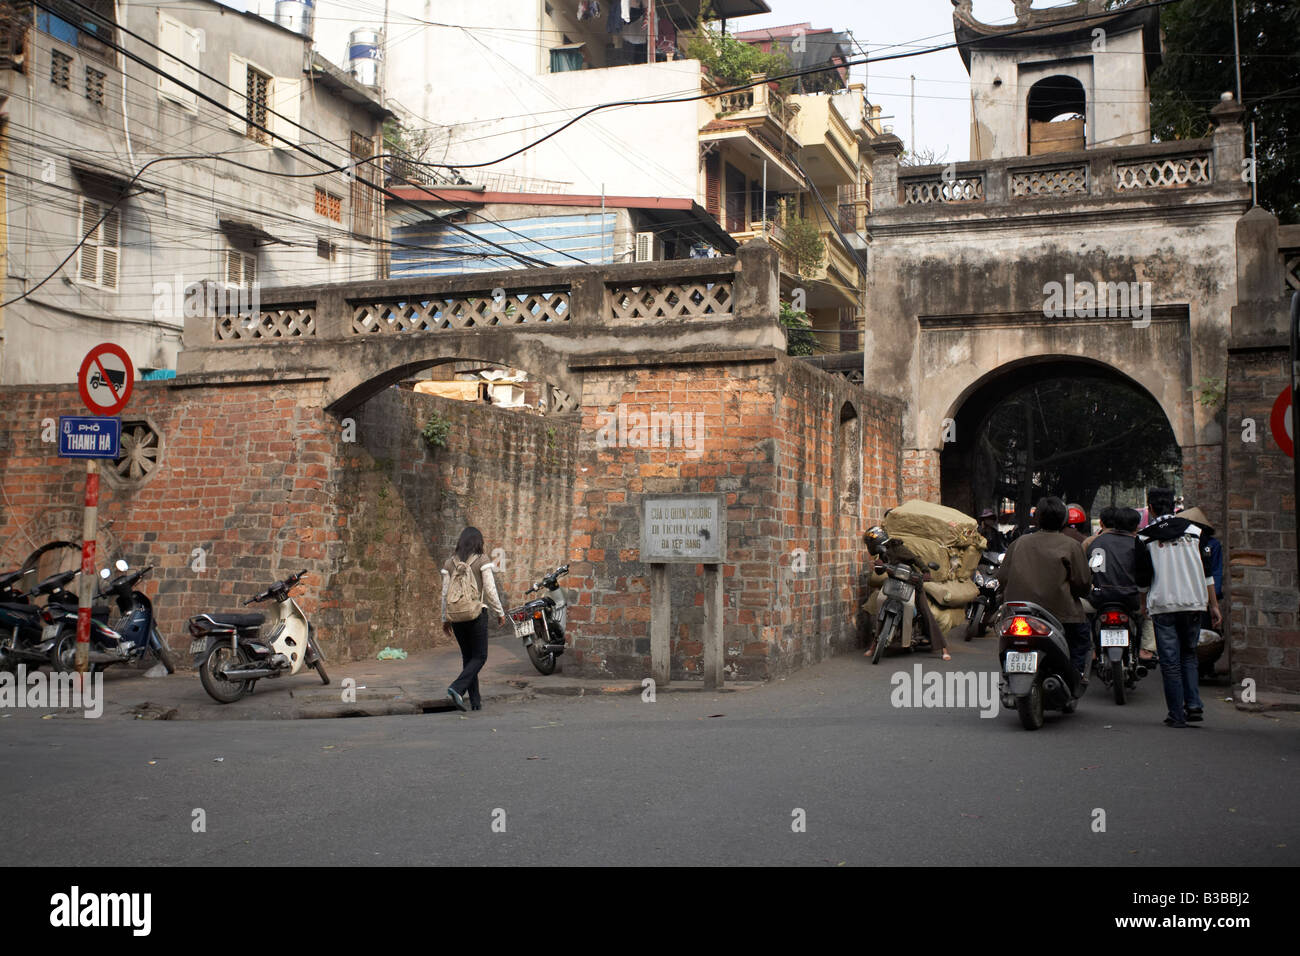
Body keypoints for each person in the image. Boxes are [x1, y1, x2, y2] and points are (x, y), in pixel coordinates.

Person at [1136, 489, 1223, 728]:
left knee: (1170, 661)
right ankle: (1194, 704)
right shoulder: (1195, 532)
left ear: (1150, 508)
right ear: (1174, 505)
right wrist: (1213, 605)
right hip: (1194, 602)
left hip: (1163, 605)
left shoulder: (1145, 537)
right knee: (1189, 655)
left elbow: (1143, 579)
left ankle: (1176, 714)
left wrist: (1144, 605)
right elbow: (1207, 574)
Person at [997, 496, 1092, 681]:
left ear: (1037, 518)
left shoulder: (1018, 543)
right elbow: (1082, 584)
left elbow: (1002, 578)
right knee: (1080, 641)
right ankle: (1076, 677)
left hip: (1018, 613)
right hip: (1062, 615)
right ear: (1064, 520)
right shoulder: (1072, 546)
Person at [441, 527, 505, 712]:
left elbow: (445, 594)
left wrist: (445, 618)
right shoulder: (482, 560)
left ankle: (475, 702)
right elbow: (491, 591)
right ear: (478, 542)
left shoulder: (449, 563)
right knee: (480, 656)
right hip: (476, 615)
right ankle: (456, 688)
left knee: (469, 658)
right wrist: (499, 612)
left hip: (457, 618)